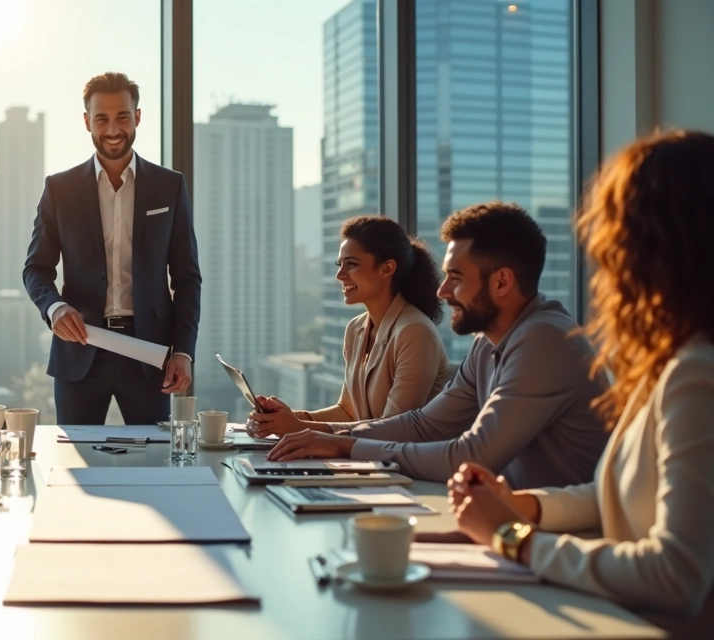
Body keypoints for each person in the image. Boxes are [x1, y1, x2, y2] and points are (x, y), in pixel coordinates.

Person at [445, 131, 714, 627]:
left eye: (615, 239)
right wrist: (520, 504)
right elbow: (613, 492)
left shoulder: (696, 373)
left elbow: (677, 575)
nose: (605, 265)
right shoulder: (672, 363)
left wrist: (513, 538)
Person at [265, 202, 609, 489]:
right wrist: (321, 434)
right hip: (510, 518)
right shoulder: (487, 344)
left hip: (560, 534)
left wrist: (343, 445)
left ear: (502, 281)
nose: (442, 292)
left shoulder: (544, 340)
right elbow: (423, 426)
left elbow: (469, 455)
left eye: (455, 278)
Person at [23, 72, 201, 424]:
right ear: (87, 121)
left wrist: (183, 350)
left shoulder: (169, 186)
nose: (113, 129)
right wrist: (55, 308)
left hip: (149, 355)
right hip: (81, 350)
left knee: (153, 467)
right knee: (73, 468)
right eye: (102, 118)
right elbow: (36, 269)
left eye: (122, 116)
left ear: (137, 117)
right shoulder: (60, 189)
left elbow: (186, 277)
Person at [249, 216, 449, 436]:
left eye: (351, 264)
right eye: (339, 264)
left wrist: (301, 427)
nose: (340, 275)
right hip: (364, 460)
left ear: (387, 268)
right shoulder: (356, 329)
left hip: (402, 467)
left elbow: (394, 428)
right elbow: (348, 411)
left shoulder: (415, 332)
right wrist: (287, 418)